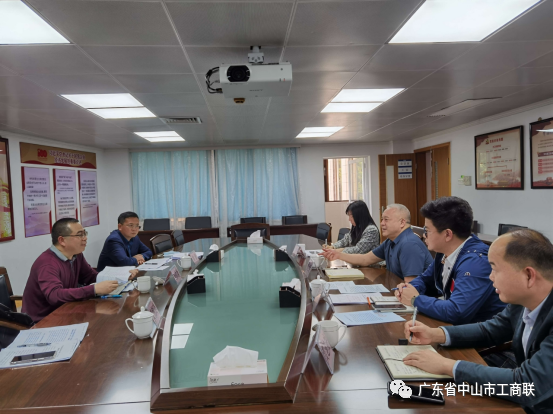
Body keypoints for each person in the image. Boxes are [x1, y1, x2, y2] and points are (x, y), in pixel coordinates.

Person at [402, 229, 553, 413]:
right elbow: (492, 329)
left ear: (528, 275)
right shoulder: (522, 300)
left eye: (495, 269)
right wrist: (436, 334)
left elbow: (528, 384)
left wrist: (447, 366)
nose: (490, 277)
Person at [396, 196, 505, 324]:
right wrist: (407, 289)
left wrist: (415, 300)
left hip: (481, 332)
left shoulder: (476, 262)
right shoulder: (444, 253)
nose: (424, 235)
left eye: (427, 230)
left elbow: (457, 311)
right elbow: (426, 280)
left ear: (448, 234)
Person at [22, 218, 137, 322]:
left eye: (84, 233)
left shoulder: (76, 255)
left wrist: (122, 276)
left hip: (67, 311)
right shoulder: (47, 263)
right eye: (79, 235)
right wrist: (93, 289)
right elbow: (54, 296)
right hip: (44, 320)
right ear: (62, 240)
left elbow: (90, 276)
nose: (85, 238)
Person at [321, 204, 432, 281]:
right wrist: (338, 255)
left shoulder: (409, 244)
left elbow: (411, 288)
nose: (382, 223)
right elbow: (365, 259)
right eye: (382, 219)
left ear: (402, 222)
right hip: (395, 288)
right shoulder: (390, 241)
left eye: (386, 219)